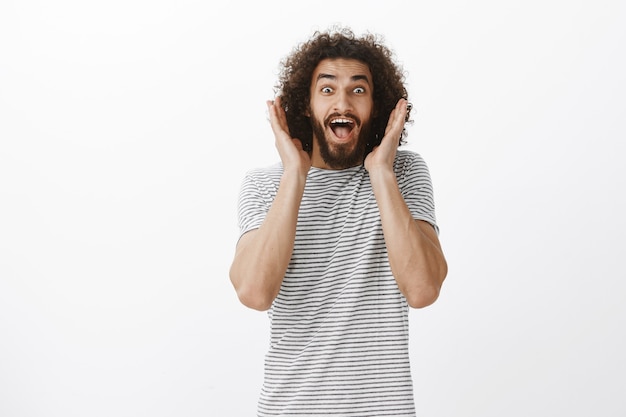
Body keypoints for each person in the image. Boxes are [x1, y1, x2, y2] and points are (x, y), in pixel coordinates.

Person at [229, 26, 448, 417]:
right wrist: (294, 173)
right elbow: (253, 292)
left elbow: (423, 290)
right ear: (305, 105)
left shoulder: (403, 173)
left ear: (376, 107)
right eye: (327, 89)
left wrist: (381, 171)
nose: (343, 102)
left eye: (358, 90)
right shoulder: (265, 184)